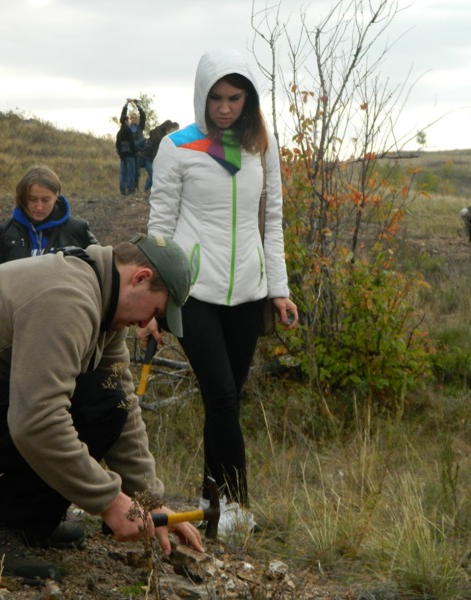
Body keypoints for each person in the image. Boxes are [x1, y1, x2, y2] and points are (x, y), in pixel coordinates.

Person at [0, 234, 202, 583]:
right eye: (155, 311)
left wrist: (149, 501)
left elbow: (121, 398)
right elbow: (37, 422)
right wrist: (110, 502)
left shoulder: (102, 298)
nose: (146, 324)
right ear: (139, 278)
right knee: (88, 403)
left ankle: (27, 521)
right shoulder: (67, 300)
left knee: (105, 399)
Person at [142, 49, 299, 535]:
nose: (224, 108)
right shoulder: (176, 146)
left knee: (227, 400)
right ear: (201, 95)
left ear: (249, 100)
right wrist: (152, 301)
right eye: (216, 97)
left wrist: (279, 289)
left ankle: (214, 506)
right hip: (195, 295)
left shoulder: (261, 147)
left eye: (235, 98)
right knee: (223, 396)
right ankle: (235, 506)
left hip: (249, 296)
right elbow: (160, 228)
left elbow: (271, 223)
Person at [0, 165, 98, 267]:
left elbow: (102, 266)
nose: (39, 207)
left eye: (46, 200)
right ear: (23, 198)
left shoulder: (78, 229)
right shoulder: (5, 232)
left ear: (56, 196)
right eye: (32, 199)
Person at [141, 120, 179, 195]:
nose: (169, 130)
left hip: (154, 156)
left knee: (152, 174)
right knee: (153, 175)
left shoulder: (162, 133)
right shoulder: (157, 132)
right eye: (169, 128)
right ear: (167, 126)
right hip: (150, 157)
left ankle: (148, 190)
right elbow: (157, 143)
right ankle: (146, 190)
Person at [121, 99, 147, 191]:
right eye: (132, 118)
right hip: (130, 151)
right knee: (128, 171)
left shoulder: (140, 127)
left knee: (137, 171)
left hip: (138, 152)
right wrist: (126, 105)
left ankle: (136, 186)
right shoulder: (127, 128)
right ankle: (128, 187)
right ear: (130, 119)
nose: (134, 119)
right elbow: (123, 117)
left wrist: (137, 105)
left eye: (135, 118)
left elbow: (143, 116)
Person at [115, 116, 137, 195]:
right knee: (130, 172)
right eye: (128, 120)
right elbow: (132, 143)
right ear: (125, 121)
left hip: (122, 155)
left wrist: (120, 153)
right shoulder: (129, 131)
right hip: (130, 154)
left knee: (123, 173)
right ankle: (130, 189)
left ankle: (122, 190)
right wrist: (134, 152)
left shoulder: (119, 132)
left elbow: (117, 145)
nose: (130, 122)